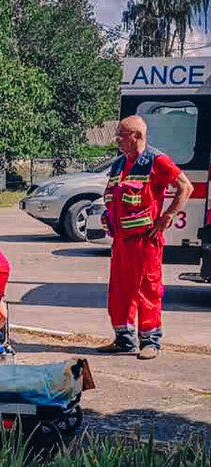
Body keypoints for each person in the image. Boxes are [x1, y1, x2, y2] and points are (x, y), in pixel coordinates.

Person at [98, 116, 193, 360]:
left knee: (147, 290)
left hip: (144, 242)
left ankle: (150, 342)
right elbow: (113, 196)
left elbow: (186, 187)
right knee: (119, 291)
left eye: (121, 135)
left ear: (137, 136)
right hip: (120, 242)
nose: (117, 140)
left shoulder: (157, 161)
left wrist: (167, 217)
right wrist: (108, 216)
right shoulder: (119, 164)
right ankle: (124, 340)